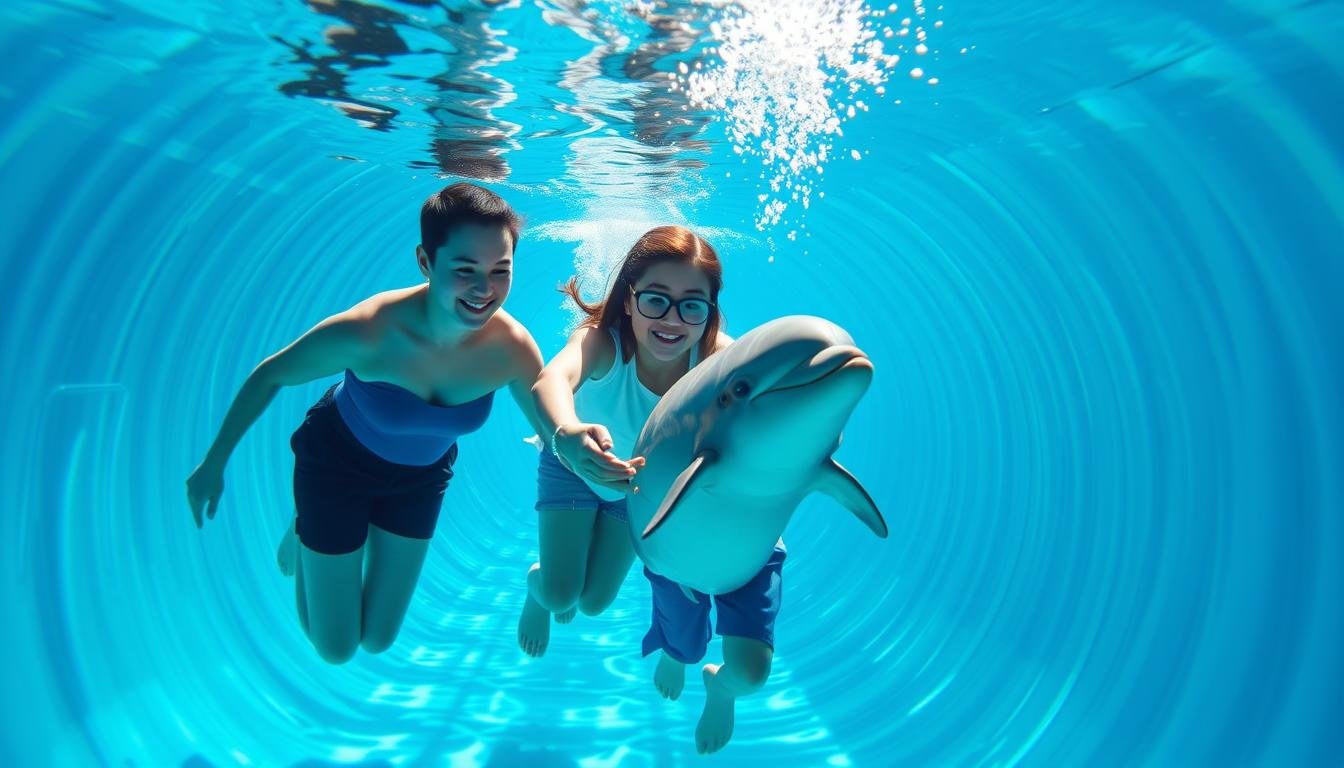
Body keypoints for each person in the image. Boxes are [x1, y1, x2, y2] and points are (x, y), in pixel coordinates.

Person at [186, 182, 544, 664]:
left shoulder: (513, 349)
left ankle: (312, 530)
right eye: (464, 271)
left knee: (378, 639)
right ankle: (306, 522)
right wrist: (213, 464)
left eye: (500, 271)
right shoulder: (369, 331)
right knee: (336, 648)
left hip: (420, 479)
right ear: (425, 262)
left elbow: (552, 423)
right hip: (337, 466)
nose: (485, 290)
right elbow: (270, 375)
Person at [518, 225, 730, 660]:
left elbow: (773, 389)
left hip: (635, 488)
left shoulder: (715, 359)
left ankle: (557, 584)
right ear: (629, 299)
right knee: (561, 595)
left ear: (710, 311)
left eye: (692, 306)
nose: (672, 320)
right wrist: (566, 435)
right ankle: (536, 589)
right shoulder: (602, 342)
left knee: (593, 603)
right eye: (655, 299)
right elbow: (551, 380)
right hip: (573, 465)